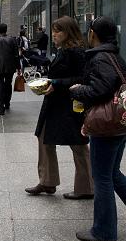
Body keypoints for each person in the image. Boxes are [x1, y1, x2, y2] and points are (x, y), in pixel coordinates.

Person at [70, 16, 126, 241]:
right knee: (112, 172)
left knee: (101, 177)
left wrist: (78, 90)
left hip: (107, 127)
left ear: (93, 33)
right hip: (120, 123)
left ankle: (104, 231)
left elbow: (101, 89)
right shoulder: (115, 56)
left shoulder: (100, 57)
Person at [25, 15, 94, 199]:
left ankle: (86, 187)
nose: (54, 34)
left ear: (68, 32)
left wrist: (56, 82)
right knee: (44, 138)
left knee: (78, 144)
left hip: (71, 105)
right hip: (55, 103)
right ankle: (48, 181)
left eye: (58, 31)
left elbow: (82, 79)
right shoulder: (64, 50)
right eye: (54, 30)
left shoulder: (77, 52)